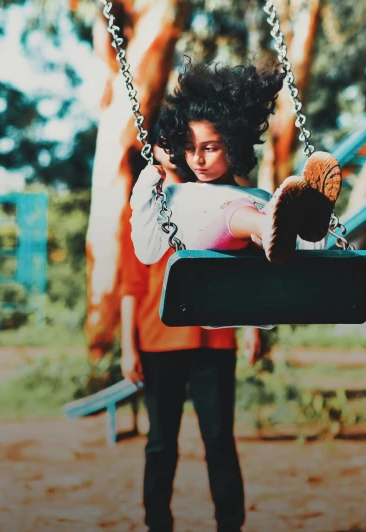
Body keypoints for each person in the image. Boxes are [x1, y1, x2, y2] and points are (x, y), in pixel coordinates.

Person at [121, 133, 262, 532]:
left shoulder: (215, 199)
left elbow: (240, 269)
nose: (175, 151)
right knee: (161, 444)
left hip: (213, 338)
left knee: (219, 442)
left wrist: (251, 325)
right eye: (167, 143)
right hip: (158, 339)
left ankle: (230, 526)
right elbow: (130, 286)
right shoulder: (139, 207)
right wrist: (126, 348)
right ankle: (157, 525)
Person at [130, 62, 341, 268]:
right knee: (238, 210)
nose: (197, 158)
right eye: (189, 148)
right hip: (208, 275)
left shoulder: (262, 197)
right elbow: (147, 253)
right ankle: (266, 228)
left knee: (278, 204)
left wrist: (314, 221)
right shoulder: (176, 194)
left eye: (209, 148)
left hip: (261, 280)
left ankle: (306, 210)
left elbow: (307, 257)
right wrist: (145, 187)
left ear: (234, 146)